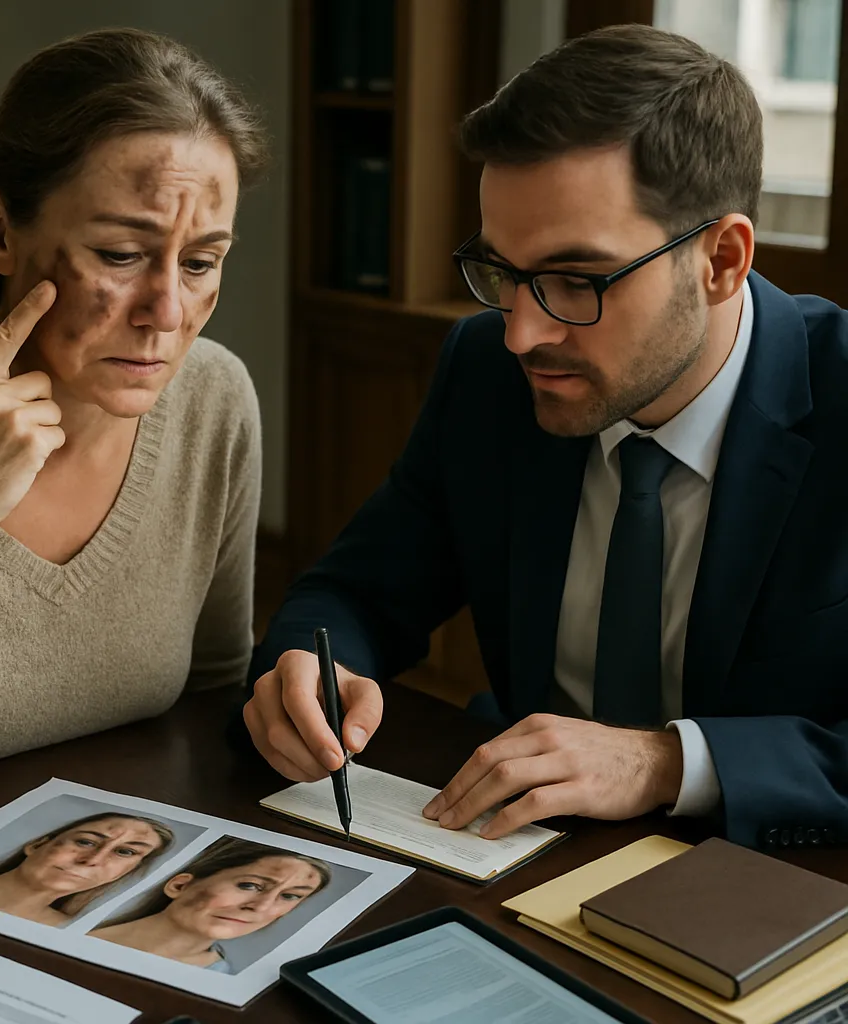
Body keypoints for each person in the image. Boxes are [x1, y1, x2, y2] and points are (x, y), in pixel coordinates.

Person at [242, 24, 848, 852]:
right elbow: (356, 592)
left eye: (576, 280)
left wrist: (667, 763)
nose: (522, 332)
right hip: (509, 852)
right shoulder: (486, 370)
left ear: (722, 260)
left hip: (765, 887)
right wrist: (306, 671)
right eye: (503, 271)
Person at [0, 27, 267, 841]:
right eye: (122, 254)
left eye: (201, 263)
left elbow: (212, 701)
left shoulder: (214, 398)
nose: (167, 316)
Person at [90, 837, 331, 972]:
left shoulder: (220, 976)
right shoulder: (69, 928)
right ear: (179, 886)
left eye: (289, 896)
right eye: (249, 885)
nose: (261, 907)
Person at [0, 812, 174, 925]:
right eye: (86, 841)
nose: (93, 858)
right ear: (37, 845)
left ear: (125, 872)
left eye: (125, 852)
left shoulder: (77, 938)